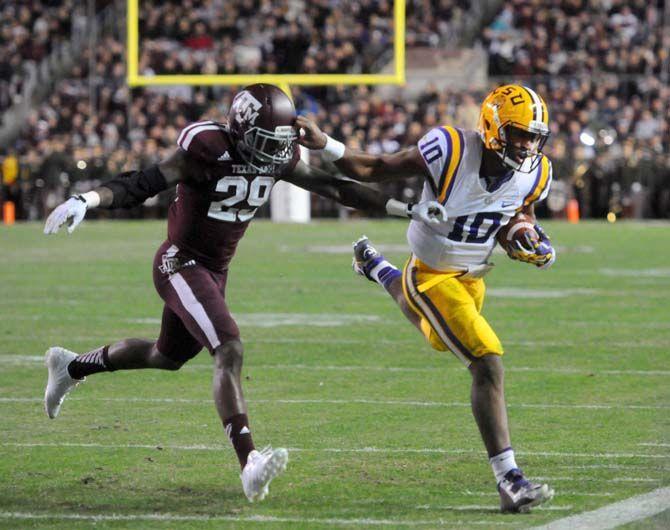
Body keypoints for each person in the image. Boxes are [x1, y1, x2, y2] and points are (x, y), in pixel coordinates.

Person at [42, 84, 446, 502]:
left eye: (278, 143)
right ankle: (250, 462)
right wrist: (86, 199)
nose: (273, 153)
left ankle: (71, 367)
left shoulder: (279, 152)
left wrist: (406, 210)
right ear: (240, 129)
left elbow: (336, 187)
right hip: (180, 261)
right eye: (264, 141)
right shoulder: (205, 147)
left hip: (215, 271)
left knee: (167, 356)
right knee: (229, 348)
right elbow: (142, 182)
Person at [297, 84, 557, 513]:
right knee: (487, 361)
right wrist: (326, 143)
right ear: (493, 128)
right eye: (520, 134)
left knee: (437, 334)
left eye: (535, 136)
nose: (529, 144)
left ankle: (376, 268)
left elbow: (515, 212)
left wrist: (523, 236)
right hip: (433, 274)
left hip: (474, 277)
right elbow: (374, 167)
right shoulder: (451, 148)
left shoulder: (538, 172)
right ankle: (510, 480)